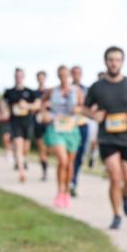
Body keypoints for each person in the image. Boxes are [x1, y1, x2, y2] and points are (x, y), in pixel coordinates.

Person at [83, 46, 127, 229]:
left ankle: (126, 196)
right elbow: (84, 108)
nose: (114, 63)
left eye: (117, 60)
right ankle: (116, 214)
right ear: (105, 62)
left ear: (122, 62)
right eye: (110, 59)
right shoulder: (97, 86)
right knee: (115, 177)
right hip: (107, 138)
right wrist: (94, 116)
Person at [42, 65, 85, 208]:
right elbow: (42, 102)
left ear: (70, 76)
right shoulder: (52, 91)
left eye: (65, 75)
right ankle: (59, 191)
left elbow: (83, 107)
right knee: (62, 160)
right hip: (56, 129)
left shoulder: (77, 91)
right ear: (57, 76)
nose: (63, 78)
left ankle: (66, 191)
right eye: (60, 75)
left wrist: (78, 110)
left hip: (71, 130)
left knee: (69, 164)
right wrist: (45, 114)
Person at [2, 68, 40, 183]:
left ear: (23, 77)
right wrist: (5, 111)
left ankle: (23, 160)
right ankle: (21, 172)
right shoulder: (9, 92)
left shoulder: (30, 92)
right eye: (17, 76)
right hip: (15, 122)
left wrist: (27, 106)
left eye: (20, 76)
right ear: (15, 77)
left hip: (27, 122)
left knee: (25, 148)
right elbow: (3, 104)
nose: (18, 78)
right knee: (18, 146)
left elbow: (37, 105)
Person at [69, 65, 88, 197]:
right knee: (70, 156)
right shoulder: (66, 89)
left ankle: (74, 181)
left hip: (82, 125)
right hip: (67, 126)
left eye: (78, 73)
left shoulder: (86, 90)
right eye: (74, 73)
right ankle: (69, 181)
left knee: (79, 156)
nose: (76, 75)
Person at [33, 70, 51, 181]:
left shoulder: (50, 92)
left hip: (50, 124)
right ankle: (44, 172)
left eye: (42, 77)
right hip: (38, 123)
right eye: (39, 77)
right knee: (42, 148)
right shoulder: (33, 93)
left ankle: (46, 163)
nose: (41, 79)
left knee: (49, 149)